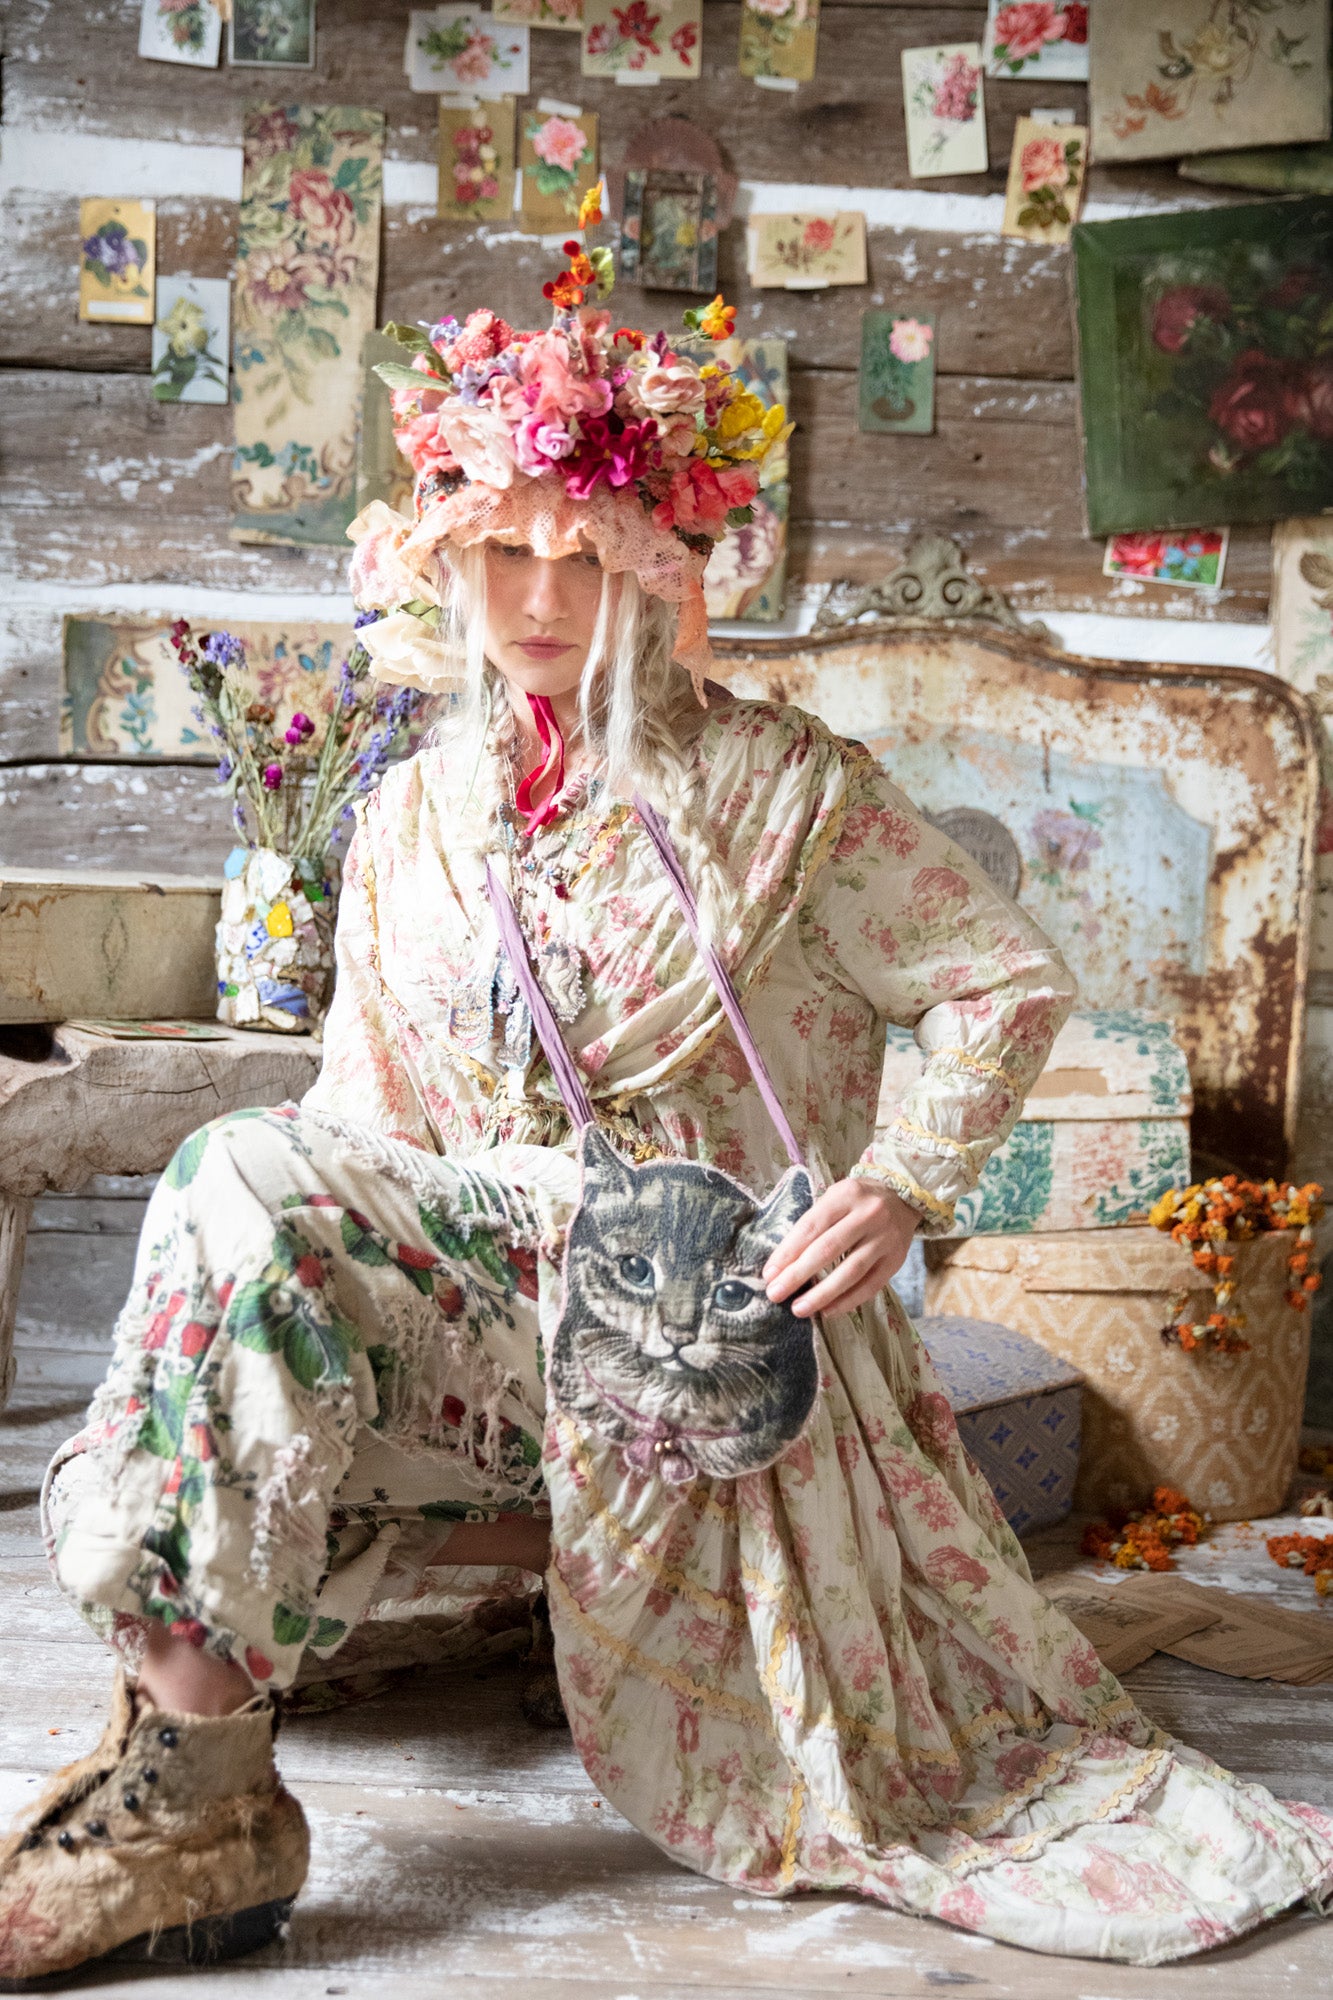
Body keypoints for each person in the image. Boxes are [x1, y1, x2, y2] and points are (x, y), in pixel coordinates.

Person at [4, 276, 1332, 1987]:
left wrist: (898, 1185)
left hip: (683, 1326)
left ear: (654, 565)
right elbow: (360, 1119)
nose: (539, 599)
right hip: (473, 1305)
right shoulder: (407, 814)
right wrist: (307, 1232)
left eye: (583, 557)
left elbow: (1002, 981)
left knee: (234, 1171)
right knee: (247, 1183)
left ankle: (186, 1803)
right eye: (502, 553)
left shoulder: (787, 794)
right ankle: (191, 1783)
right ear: (446, 559)